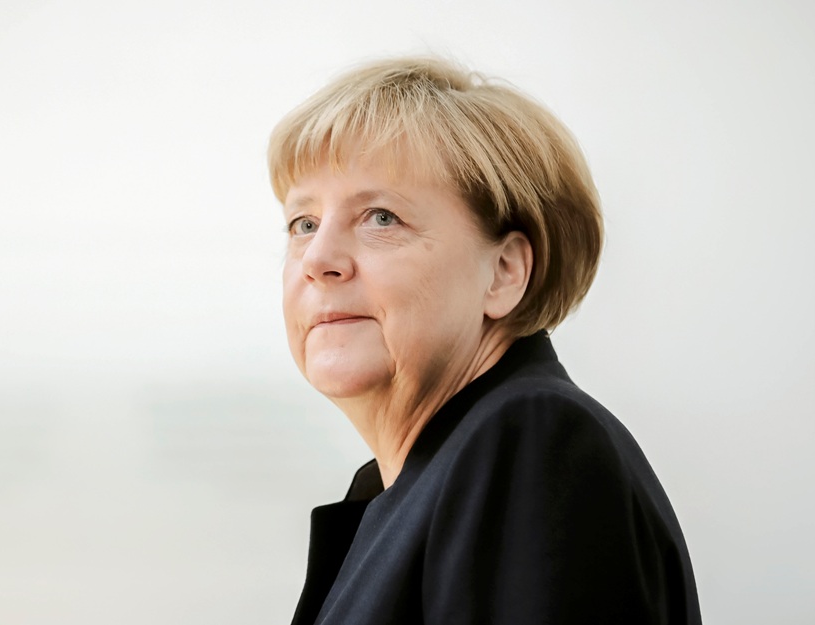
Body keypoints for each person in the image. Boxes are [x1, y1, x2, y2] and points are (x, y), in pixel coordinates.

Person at [267, 56, 701, 625]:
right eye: (304, 223)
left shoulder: (531, 439)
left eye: (380, 217)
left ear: (504, 273)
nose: (318, 260)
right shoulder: (409, 489)